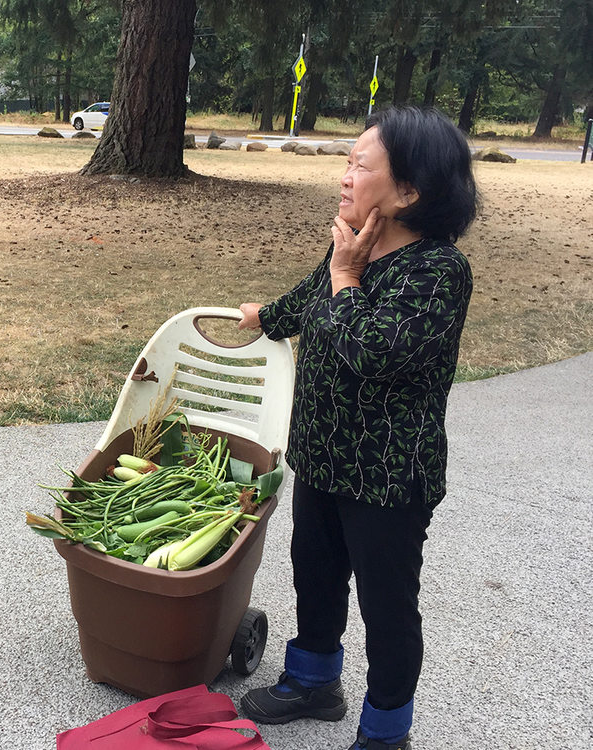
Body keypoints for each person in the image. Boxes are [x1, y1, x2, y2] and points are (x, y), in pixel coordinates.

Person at [236, 106, 478, 750]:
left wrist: (348, 277)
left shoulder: (437, 272)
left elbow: (372, 353)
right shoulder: (348, 242)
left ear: (408, 192)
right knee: (314, 575)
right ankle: (314, 683)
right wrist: (265, 316)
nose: (345, 177)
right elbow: (311, 298)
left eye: (361, 166)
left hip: (389, 477)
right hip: (322, 456)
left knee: (386, 606)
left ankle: (386, 730)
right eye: (347, 162)